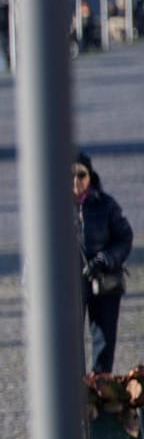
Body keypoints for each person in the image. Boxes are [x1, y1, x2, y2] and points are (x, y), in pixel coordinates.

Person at [76, 151, 132, 374]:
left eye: (81, 175)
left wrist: (105, 259)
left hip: (104, 281)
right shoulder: (55, 208)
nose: (76, 181)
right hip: (71, 283)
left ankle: (102, 392)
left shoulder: (106, 205)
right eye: (70, 175)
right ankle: (76, 394)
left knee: (105, 341)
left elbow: (124, 238)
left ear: (91, 176)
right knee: (69, 344)